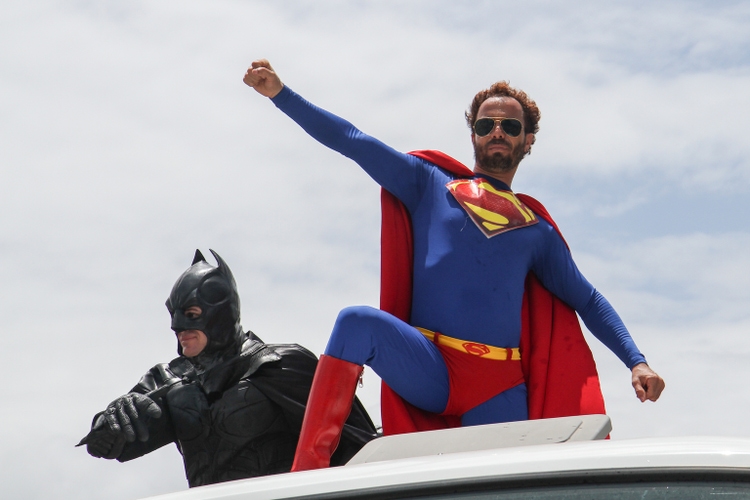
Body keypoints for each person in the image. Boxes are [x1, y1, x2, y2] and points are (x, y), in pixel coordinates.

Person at [243, 59, 666, 472]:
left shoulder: (537, 232)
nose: (497, 132)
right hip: (432, 367)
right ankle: (309, 473)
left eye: (510, 126)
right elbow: (352, 140)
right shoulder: (428, 182)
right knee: (355, 323)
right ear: (474, 135)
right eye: (486, 125)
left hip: (498, 384)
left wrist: (636, 361)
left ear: (529, 139)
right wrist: (281, 95)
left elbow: (587, 298)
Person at [78, 249, 377, 487]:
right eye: (175, 315)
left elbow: (364, 449)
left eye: (191, 314)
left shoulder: (281, 365)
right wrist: (110, 420)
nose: (177, 326)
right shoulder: (169, 381)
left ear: (219, 313)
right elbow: (108, 445)